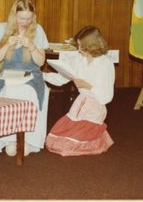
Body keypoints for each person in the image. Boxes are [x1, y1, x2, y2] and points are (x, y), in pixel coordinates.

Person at [0, 0, 50, 156]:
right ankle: (10, 139)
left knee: (27, 93)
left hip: (31, 75)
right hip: (8, 75)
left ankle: (27, 141)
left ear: (33, 16)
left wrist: (31, 47)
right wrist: (7, 45)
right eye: (21, 18)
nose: (25, 22)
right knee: (10, 92)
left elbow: (40, 62)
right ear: (14, 15)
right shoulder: (2, 28)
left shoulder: (38, 30)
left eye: (28, 18)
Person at [45, 25, 115, 156]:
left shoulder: (105, 64)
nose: (79, 50)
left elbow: (106, 97)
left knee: (71, 145)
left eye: (82, 47)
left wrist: (88, 86)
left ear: (92, 46)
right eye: (79, 46)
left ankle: (97, 138)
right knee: (53, 142)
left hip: (95, 107)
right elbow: (61, 79)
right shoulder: (80, 59)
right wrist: (42, 76)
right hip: (79, 104)